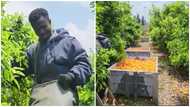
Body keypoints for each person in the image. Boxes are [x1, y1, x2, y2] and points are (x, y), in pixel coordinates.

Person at [25, 8, 92, 106]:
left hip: (62, 93)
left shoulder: (68, 42)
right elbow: (20, 69)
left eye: (44, 26)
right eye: (37, 29)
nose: (42, 32)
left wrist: (71, 76)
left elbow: (85, 65)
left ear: (50, 22)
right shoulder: (32, 50)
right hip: (39, 96)